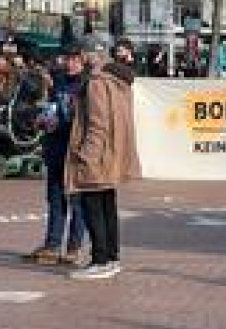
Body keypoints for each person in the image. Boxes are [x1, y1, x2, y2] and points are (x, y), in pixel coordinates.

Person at [65, 34, 142, 280]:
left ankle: (100, 259)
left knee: (93, 206)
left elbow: (98, 123)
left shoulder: (97, 82)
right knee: (108, 205)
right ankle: (112, 257)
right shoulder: (118, 79)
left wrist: (87, 154)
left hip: (98, 156)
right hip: (112, 153)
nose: (80, 58)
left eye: (83, 54)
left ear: (91, 55)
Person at [25, 44, 89, 266]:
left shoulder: (87, 85)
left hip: (75, 151)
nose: (70, 63)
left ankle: (73, 248)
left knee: (77, 201)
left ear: (83, 61)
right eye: (67, 59)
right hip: (55, 148)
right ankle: (52, 245)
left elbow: (86, 120)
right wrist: (43, 119)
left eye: (74, 59)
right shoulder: (59, 81)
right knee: (54, 199)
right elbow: (51, 107)